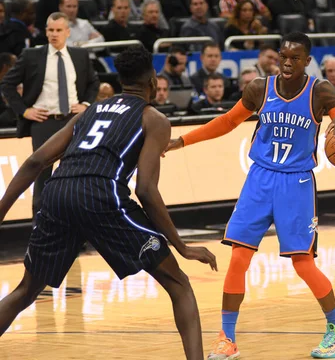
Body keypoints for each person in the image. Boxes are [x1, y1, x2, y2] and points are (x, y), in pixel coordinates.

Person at [0, 46, 218, 359]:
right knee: (178, 283)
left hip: (58, 191)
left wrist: (2, 212)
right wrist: (181, 246)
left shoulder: (90, 111)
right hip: (101, 195)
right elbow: (145, 189)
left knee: (26, 290)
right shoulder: (154, 119)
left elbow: (36, 161)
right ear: (153, 82)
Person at [165, 32, 335, 359]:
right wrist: (183, 141)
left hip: (296, 183)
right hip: (259, 179)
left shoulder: (320, 90)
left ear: (306, 61)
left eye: (294, 57)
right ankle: (227, 338)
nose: (286, 62)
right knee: (238, 257)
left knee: (302, 263)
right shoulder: (260, 88)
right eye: (282, 55)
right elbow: (227, 122)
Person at [1, 12, 99, 217]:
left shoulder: (80, 55)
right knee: (41, 176)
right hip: (44, 122)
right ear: (45, 31)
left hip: (73, 122)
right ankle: (39, 229)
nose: (54, 34)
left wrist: (86, 105)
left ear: (67, 32)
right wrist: (25, 111)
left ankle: (76, 230)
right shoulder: (31, 56)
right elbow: (7, 84)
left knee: (76, 175)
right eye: (50, 30)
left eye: (58, 30)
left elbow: (93, 83)